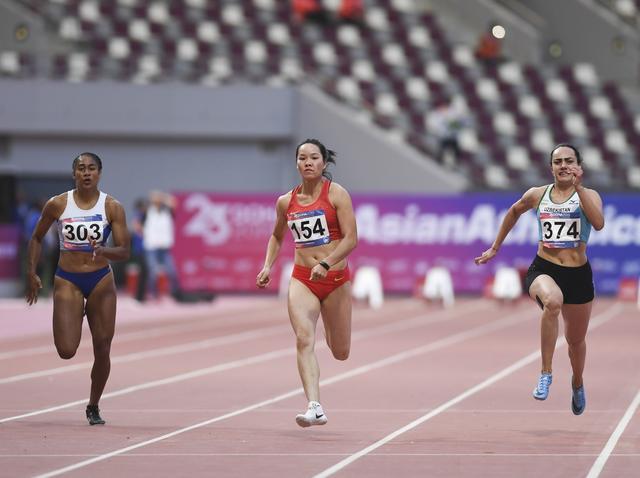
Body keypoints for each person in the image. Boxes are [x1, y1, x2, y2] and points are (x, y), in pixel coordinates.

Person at [474, 144, 604, 415]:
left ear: (579, 166)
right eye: (558, 162)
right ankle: (546, 373)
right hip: (544, 268)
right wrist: (495, 247)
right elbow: (513, 212)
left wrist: (579, 188)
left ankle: (577, 382)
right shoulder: (537, 194)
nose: (564, 166)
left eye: (569, 161)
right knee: (552, 302)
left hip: (578, 275)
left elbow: (599, 222)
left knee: (575, 342)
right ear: (551, 167)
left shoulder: (588, 195)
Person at [256, 138, 358, 427]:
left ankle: (331, 327)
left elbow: (351, 239)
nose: (308, 162)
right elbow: (277, 236)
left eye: (314, 158)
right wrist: (267, 266)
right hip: (303, 280)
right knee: (303, 339)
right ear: (297, 163)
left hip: (335, 279)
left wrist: (326, 263)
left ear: (324, 163)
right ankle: (315, 405)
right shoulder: (286, 202)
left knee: (340, 352)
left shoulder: (337, 194)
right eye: (302, 158)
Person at [25, 152, 130, 425]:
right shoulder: (58, 204)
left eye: (91, 168)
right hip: (68, 279)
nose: (86, 173)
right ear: (74, 174)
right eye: (81, 168)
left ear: (99, 173)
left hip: (100, 281)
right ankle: (76, 311)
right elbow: (36, 238)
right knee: (66, 350)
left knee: (103, 347)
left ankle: (93, 405)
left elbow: (125, 250)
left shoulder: (112, 207)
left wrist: (105, 250)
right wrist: (31, 272)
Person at [143, 190, 180, 301]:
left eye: (159, 199)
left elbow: (174, 202)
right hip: (152, 247)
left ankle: (175, 294)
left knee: (172, 271)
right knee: (153, 272)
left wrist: (163, 197)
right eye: (156, 199)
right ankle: (153, 295)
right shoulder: (148, 211)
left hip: (164, 247)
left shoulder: (167, 212)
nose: (157, 201)